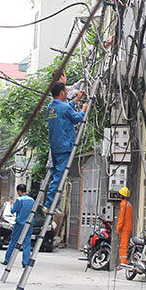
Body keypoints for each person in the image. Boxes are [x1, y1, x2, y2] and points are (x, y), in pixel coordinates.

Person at [44, 81, 86, 211]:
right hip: (65, 145)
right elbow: (77, 118)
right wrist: (84, 108)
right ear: (62, 92)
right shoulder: (64, 108)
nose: (67, 94)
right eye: (66, 92)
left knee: (56, 174)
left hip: (55, 146)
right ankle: (50, 204)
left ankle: (52, 203)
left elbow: (66, 109)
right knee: (59, 176)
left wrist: (76, 99)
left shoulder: (51, 107)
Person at [1, 184, 36, 267]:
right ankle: (25, 262)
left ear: (19, 191)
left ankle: (7, 260)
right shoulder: (32, 200)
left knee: (13, 242)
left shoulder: (19, 200)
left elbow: (12, 211)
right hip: (29, 224)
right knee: (27, 243)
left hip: (20, 224)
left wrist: (12, 204)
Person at [116, 186, 133, 265]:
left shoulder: (123, 204)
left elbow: (121, 218)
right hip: (128, 227)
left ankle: (123, 263)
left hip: (124, 228)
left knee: (123, 246)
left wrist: (118, 228)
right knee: (124, 245)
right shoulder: (129, 204)